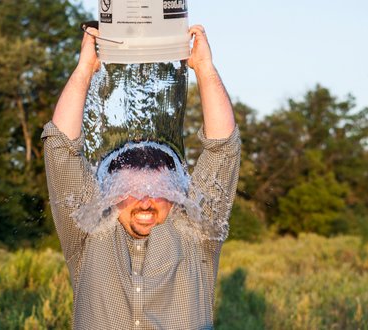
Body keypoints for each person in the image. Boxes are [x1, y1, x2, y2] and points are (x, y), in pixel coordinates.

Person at [41, 24, 240, 329]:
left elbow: (222, 150)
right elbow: (60, 149)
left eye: (157, 189)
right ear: (110, 192)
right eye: (131, 190)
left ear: (176, 192)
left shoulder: (198, 234)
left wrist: (203, 67)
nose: (145, 202)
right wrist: (85, 68)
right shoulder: (86, 233)